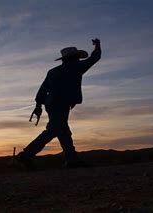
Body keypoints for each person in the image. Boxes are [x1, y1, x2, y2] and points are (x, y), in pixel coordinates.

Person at [17, 38, 101, 168]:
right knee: (53, 130)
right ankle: (26, 155)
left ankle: (72, 160)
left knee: (63, 132)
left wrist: (38, 105)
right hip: (61, 104)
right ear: (74, 58)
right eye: (78, 57)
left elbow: (43, 89)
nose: (79, 59)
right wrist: (97, 45)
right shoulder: (76, 67)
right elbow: (95, 58)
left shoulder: (52, 72)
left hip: (50, 104)